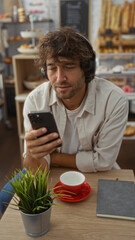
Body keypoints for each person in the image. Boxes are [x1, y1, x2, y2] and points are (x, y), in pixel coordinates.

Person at [23, 26, 128, 173]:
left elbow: (104, 162)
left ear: (87, 69)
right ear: (44, 72)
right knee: (3, 197)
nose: (60, 78)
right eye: (52, 68)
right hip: (51, 172)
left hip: (98, 173)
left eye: (69, 66)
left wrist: (52, 157)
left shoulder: (114, 101)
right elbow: (35, 169)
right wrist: (32, 153)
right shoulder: (35, 101)